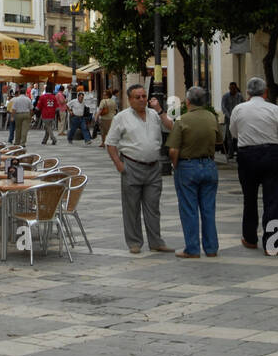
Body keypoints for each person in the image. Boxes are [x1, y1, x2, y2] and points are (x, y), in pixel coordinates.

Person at [105, 84, 175, 255]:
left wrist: (160, 110)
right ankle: (134, 242)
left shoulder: (154, 115)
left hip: (153, 167)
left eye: (144, 96)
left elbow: (171, 127)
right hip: (131, 166)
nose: (142, 99)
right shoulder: (121, 117)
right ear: (130, 100)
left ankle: (156, 241)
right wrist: (118, 164)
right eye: (138, 97)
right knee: (132, 207)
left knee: (153, 207)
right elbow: (110, 143)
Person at [231, 77, 278, 255]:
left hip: (246, 156)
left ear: (248, 93)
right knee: (273, 200)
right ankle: (271, 244)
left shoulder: (238, 109)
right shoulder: (274, 109)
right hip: (271, 155)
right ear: (265, 92)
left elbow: (233, 132)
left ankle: (250, 238)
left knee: (249, 198)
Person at [167, 86, 223, 258]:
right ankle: (211, 248)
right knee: (208, 209)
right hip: (209, 165)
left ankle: (192, 248)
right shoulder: (212, 118)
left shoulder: (182, 120)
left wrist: (176, 166)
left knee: (189, 208)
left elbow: (173, 150)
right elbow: (219, 141)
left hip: (188, 166)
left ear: (188, 101)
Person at [221, 82, 244, 159]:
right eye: (231, 88)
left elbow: (243, 105)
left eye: (234, 88)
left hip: (238, 118)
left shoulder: (239, 96)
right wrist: (230, 116)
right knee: (229, 136)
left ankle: (238, 152)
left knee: (238, 135)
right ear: (229, 88)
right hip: (228, 119)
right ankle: (230, 153)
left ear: (236, 88)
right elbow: (223, 107)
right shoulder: (225, 96)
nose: (232, 90)